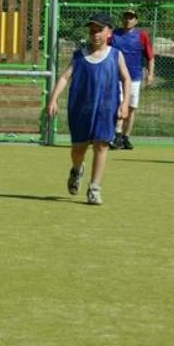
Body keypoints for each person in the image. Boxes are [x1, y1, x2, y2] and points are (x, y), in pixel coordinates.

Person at [46, 12, 131, 206]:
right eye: (92, 30)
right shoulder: (79, 55)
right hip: (81, 109)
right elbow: (65, 77)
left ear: (109, 32)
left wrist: (124, 103)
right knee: (78, 149)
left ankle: (94, 188)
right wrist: (53, 99)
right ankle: (77, 169)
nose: (95, 34)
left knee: (101, 145)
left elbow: (126, 78)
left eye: (99, 30)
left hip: (106, 109)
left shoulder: (116, 55)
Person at [109, 8, 155, 150]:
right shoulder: (114, 35)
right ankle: (116, 135)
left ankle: (125, 137)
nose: (128, 20)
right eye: (126, 17)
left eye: (131, 17)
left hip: (135, 77)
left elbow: (150, 57)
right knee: (120, 105)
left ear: (136, 20)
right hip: (116, 77)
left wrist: (150, 74)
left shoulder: (142, 36)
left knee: (131, 108)